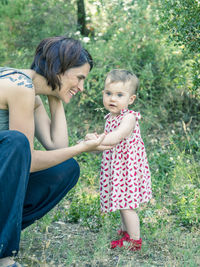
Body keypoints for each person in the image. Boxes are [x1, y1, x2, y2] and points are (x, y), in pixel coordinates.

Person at [0, 36, 108, 267]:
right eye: (79, 78)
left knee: (66, 168)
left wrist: (56, 95)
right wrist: (80, 148)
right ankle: (4, 256)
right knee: (17, 142)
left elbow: (57, 147)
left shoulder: (29, 88)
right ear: (59, 68)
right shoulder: (19, 87)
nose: (81, 87)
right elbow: (26, 160)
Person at [85, 69, 152, 251]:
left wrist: (95, 141)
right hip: (117, 167)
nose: (112, 99)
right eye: (108, 93)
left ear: (130, 99)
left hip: (127, 168)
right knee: (121, 202)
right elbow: (107, 141)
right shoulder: (111, 116)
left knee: (127, 204)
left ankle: (135, 240)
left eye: (119, 95)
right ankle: (125, 232)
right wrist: (92, 140)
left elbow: (115, 137)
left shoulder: (129, 117)